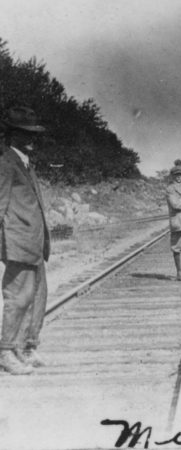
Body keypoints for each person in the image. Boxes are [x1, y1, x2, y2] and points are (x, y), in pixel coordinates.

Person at [0, 105, 50, 375]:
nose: (33, 138)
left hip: (34, 241)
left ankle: (23, 347)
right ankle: (6, 351)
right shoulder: (6, 163)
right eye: (26, 133)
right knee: (19, 297)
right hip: (18, 240)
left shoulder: (26, 163)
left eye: (34, 133)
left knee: (37, 296)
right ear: (12, 135)